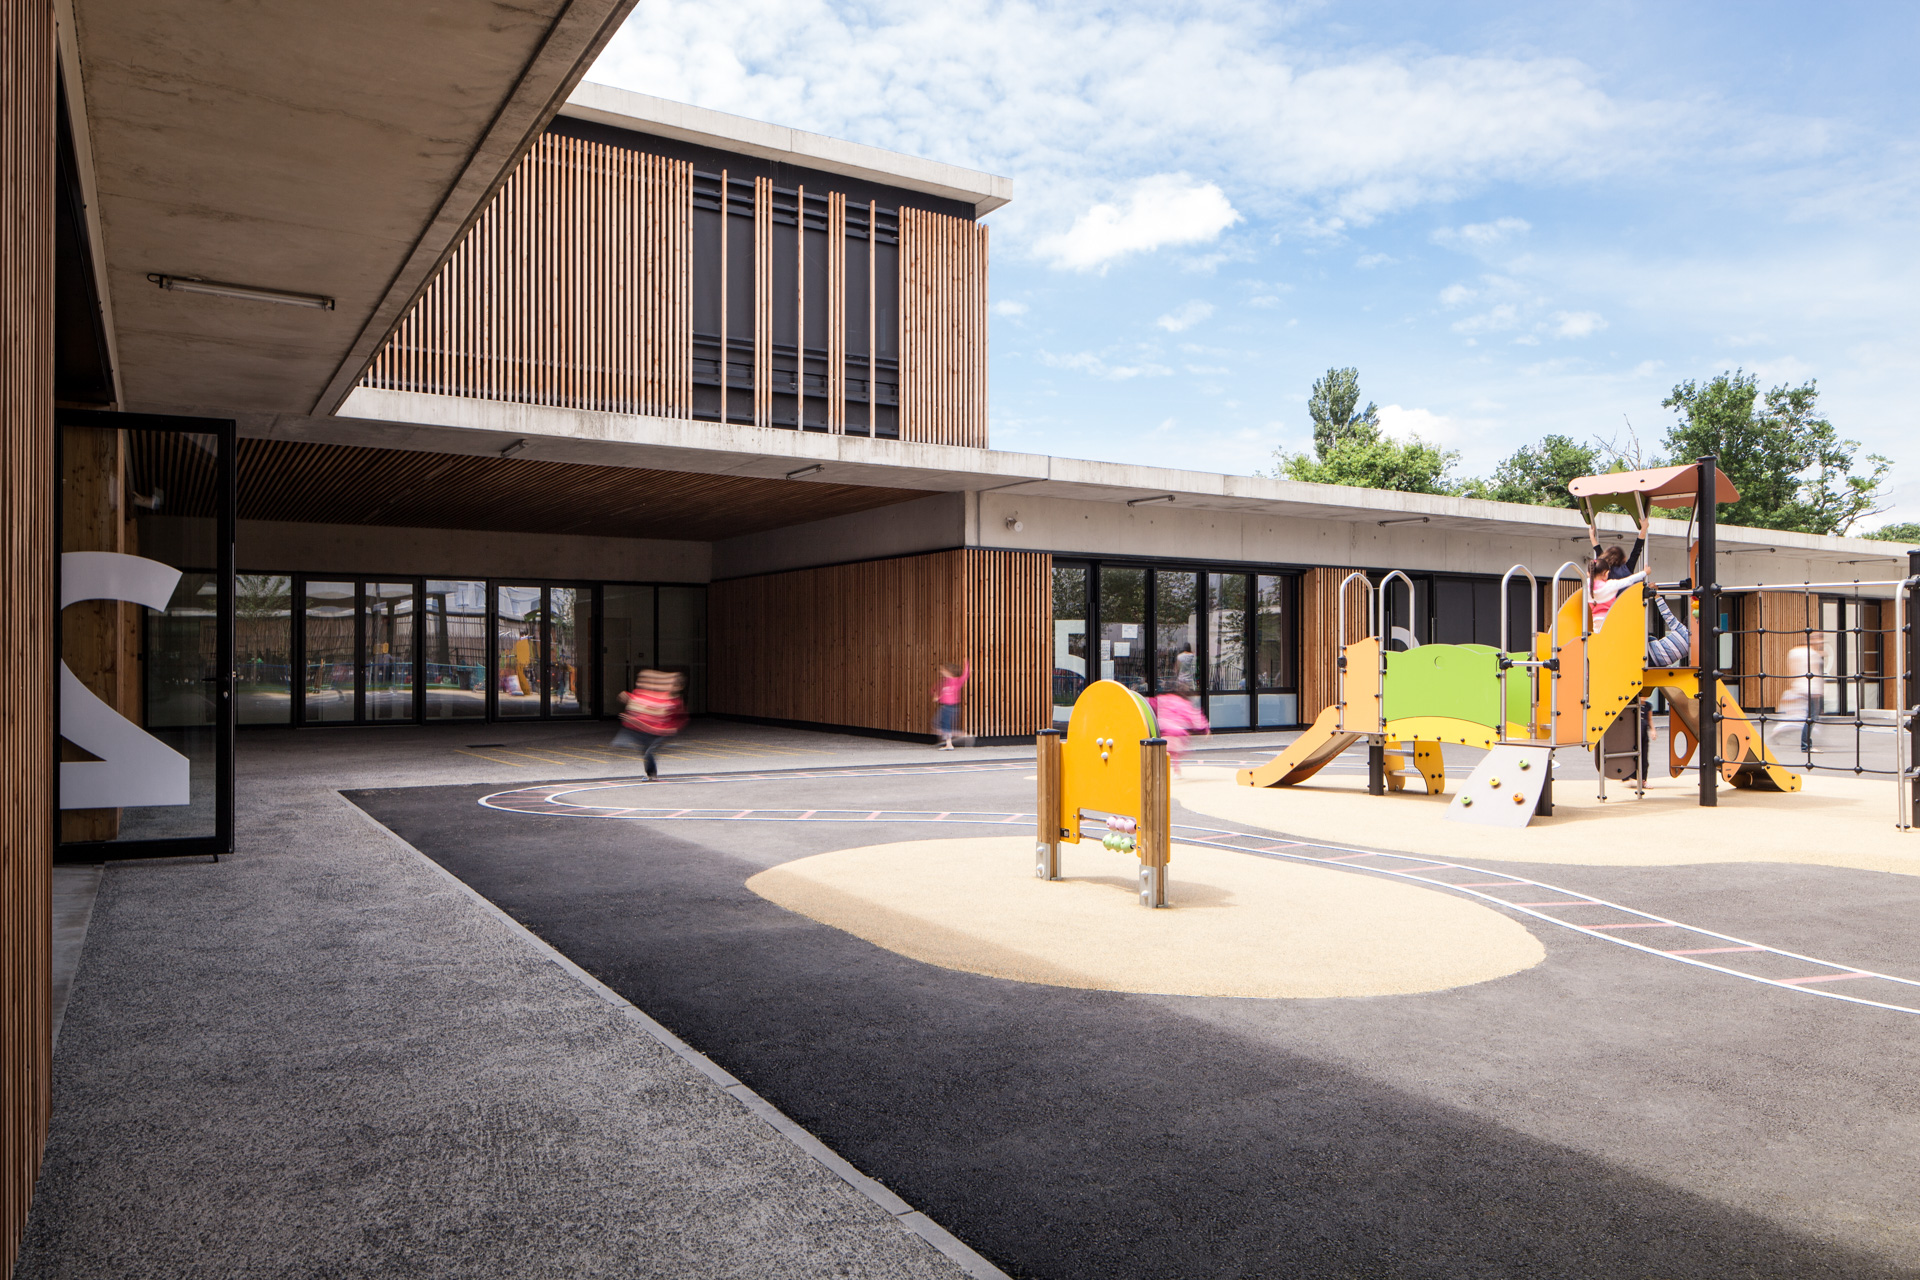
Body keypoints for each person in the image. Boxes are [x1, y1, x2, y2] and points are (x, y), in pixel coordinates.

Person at [614, 669, 688, 779]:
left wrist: (674, 728)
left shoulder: (677, 702)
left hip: (665, 732)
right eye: (672, 684)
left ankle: (652, 774)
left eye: (675, 685)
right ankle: (651, 774)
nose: (672, 687)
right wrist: (629, 697)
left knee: (649, 751)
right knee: (645, 750)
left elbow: (683, 719)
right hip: (654, 730)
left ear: (680, 687)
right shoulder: (663, 696)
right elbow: (645, 700)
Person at [1151, 679, 1210, 776]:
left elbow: (1150, 704)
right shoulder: (1184, 704)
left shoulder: (1163, 699)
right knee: (1175, 754)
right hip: (1178, 733)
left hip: (1164, 731)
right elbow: (1195, 718)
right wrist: (1205, 729)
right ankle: (1176, 771)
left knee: (1163, 753)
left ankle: (1160, 772)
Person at [1772, 644, 1822, 755]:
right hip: (1810, 689)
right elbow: (1815, 672)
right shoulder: (1811, 653)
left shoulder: (1796, 652)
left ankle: (1781, 732)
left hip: (1801, 687)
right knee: (1810, 718)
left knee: (1803, 717)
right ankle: (1805, 745)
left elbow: (1792, 670)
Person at [932, 658, 971, 749]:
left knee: (942, 725)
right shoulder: (945, 682)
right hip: (945, 706)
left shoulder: (957, 681)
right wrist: (938, 698)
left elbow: (965, 675)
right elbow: (943, 694)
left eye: (943, 670)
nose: (941, 671)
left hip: (951, 707)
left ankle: (960, 736)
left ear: (949, 671)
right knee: (940, 724)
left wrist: (966, 664)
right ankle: (950, 742)